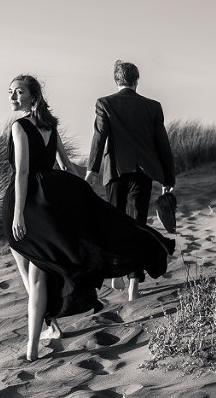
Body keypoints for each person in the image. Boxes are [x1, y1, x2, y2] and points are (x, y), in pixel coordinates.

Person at [2, 74, 175, 361]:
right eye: (10, 92)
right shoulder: (50, 126)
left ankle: (36, 343)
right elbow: (67, 167)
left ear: (33, 96)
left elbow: (21, 173)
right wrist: (79, 195)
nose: (12, 97)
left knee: (31, 276)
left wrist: (18, 215)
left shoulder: (19, 127)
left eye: (18, 92)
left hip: (25, 204)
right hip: (48, 202)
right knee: (40, 273)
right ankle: (45, 330)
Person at [85, 60, 176, 301]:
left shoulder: (105, 103)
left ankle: (117, 272)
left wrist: (92, 170)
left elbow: (99, 137)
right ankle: (134, 284)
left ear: (116, 80)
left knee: (114, 225)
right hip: (143, 173)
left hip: (115, 172)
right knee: (137, 224)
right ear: (137, 80)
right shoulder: (153, 106)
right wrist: (168, 177)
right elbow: (162, 144)